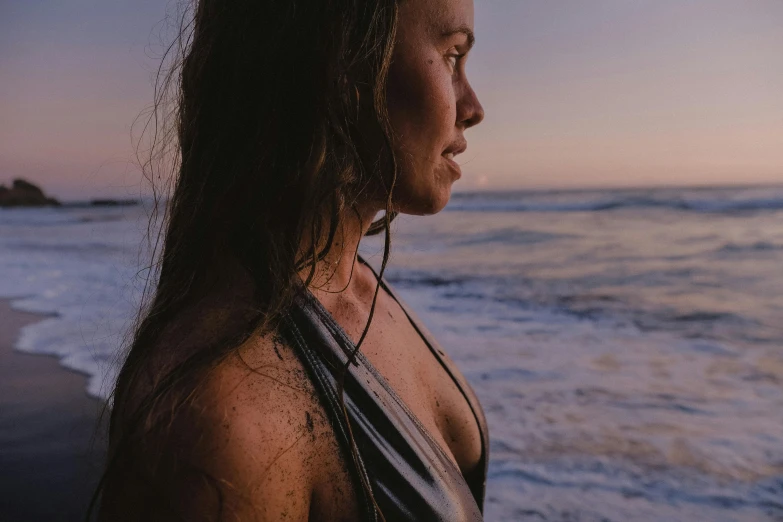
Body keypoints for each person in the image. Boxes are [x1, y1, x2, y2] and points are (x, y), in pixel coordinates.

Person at [94, 0, 486, 520]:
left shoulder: (355, 285)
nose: (473, 105)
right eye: (452, 55)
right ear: (342, 65)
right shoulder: (232, 416)